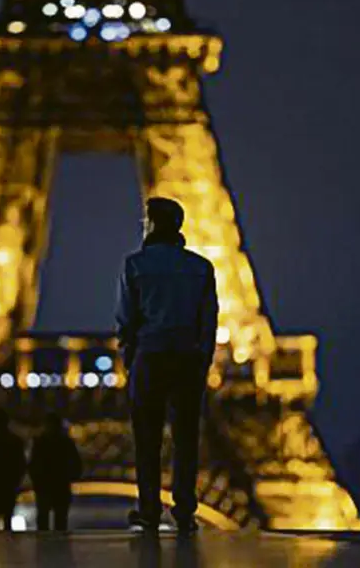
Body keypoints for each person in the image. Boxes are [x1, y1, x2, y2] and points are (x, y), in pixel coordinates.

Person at [115, 197, 218, 534]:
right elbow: (209, 320)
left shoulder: (136, 265)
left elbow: (126, 318)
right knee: (186, 437)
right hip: (188, 356)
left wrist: (131, 357)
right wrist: (202, 358)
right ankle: (185, 509)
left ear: (153, 224)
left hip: (151, 354)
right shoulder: (201, 267)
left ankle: (148, 509)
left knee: (147, 438)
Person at [29, 413, 82, 531]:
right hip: (61, 485)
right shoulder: (66, 442)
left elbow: (33, 465)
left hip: (45, 486)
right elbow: (76, 464)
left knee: (43, 521)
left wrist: (36, 481)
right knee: (60, 522)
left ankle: (43, 546)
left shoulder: (40, 442)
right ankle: (60, 547)